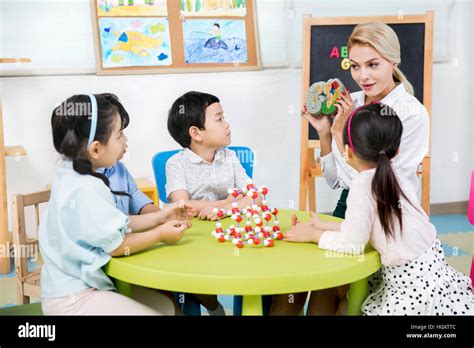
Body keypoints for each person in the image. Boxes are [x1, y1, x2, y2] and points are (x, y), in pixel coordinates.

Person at [272, 103, 473, 315]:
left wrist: (313, 235)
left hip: (409, 295)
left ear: (348, 151)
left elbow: (353, 244)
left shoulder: (363, 185)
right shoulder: (394, 175)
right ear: (396, 149)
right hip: (440, 284)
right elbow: (366, 227)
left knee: (346, 306)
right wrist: (323, 225)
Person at [40, 93, 193, 315]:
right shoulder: (88, 188)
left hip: (70, 291)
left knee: (172, 307)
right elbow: (117, 246)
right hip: (77, 300)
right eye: (119, 134)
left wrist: (161, 215)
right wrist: (160, 234)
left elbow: (115, 223)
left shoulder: (68, 174)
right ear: (95, 149)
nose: (124, 141)